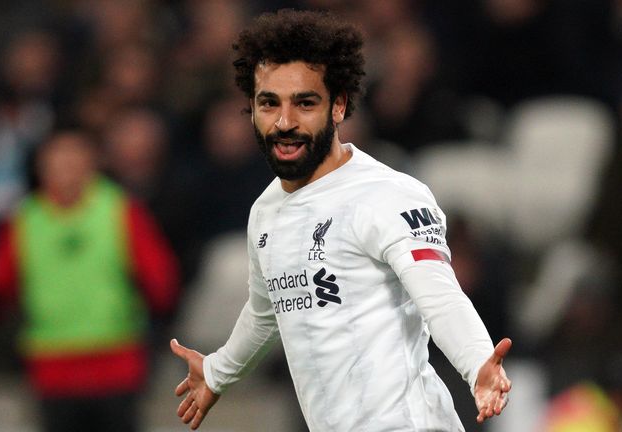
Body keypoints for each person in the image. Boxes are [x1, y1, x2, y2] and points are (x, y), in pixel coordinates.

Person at [170, 9, 511, 431]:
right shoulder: (265, 212)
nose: (285, 122)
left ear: (339, 105)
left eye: (305, 103)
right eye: (268, 103)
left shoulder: (387, 195)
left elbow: (439, 295)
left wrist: (477, 360)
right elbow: (266, 310)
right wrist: (219, 371)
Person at [0, 130, 179, 432]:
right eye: (58, 159)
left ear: (93, 163)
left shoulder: (122, 211)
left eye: (74, 158)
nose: (66, 168)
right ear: (41, 166)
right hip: (53, 367)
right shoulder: (24, 221)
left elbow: (160, 281)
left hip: (116, 364)